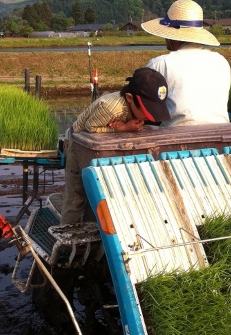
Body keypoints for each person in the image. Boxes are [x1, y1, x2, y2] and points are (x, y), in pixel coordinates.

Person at [60, 67, 171, 225]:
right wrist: (122, 128)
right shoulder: (111, 107)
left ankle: (92, 241)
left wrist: (121, 126)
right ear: (129, 98)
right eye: (147, 110)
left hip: (98, 149)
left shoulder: (131, 108)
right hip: (77, 144)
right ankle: (67, 239)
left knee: (97, 197)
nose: (149, 117)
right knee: (76, 198)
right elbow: (91, 129)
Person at [141, 0, 231, 127]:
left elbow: (142, 108)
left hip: (177, 138)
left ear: (171, 35)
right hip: (220, 132)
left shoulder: (160, 64)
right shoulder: (221, 62)